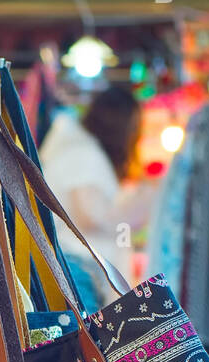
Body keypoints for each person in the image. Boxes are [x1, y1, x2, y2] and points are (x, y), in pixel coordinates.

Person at [39, 84, 153, 310]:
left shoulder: (78, 147)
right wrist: (143, 203)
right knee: (85, 343)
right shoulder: (83, 152)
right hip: (77, 271)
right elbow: (92, 215)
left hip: (76, 271)